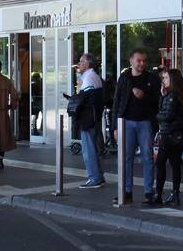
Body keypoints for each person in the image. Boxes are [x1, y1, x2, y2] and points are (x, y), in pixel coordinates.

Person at [113, 48, 159, 204]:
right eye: (139, 60)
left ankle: (148, 192)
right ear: (131, 61)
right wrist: (115, 126)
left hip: (145, 121)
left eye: (144, 61)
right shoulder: (124, 78)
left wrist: (143, 96)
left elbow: (157, 101)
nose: (142, 63)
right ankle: (126, 191)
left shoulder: (151, 78)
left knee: (147, 157)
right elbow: (117, 101)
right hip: (126, 122)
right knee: (127, 157)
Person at [151, 68, 183, 206]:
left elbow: (166, 115)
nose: (163, 80)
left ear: (172, 80)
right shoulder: (182, 94)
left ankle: (158, 195)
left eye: (166, 78)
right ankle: (175, 194)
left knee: (160, 164)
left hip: (168, 134)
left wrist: (156, 116)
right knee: (175, 164)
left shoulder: (171, 96)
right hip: (179, 135)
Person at [68, 53, 105, 188]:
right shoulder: (94, 77)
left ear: (87, 64)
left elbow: (85, 100)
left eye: (81, 61)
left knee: (88, 150)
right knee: (93, 148)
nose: (79, 64)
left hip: (88, 119)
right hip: (94, 118)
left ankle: (94, 178)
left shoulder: (89, 79)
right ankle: (98, 176)